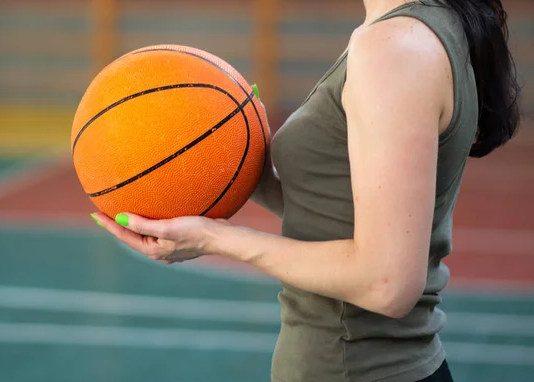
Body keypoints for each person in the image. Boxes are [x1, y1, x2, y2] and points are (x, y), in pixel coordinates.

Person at [92, 0, 521, 380]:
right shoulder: (430, 27)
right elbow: (339, 214)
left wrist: (213, 238)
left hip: (353, 367)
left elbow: (387, 284)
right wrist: (237, 159)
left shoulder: (395, 47)